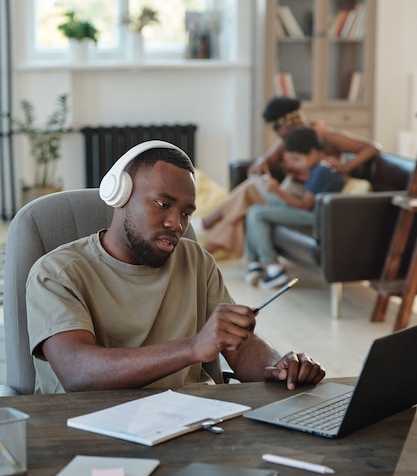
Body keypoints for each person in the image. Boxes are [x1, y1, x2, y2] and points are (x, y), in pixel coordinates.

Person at [26, 140, 325, 394]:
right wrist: (193, 347)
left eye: (186, 212)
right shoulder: (56, 272)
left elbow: (240, 346)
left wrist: (279, 368)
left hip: (193, 423)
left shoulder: (196, 261)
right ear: (121, 195)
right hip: (89, 433)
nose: (176, 223)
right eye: (162, 204)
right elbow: (78, 373)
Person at [197, 96, 380, 257]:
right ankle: (204, 250)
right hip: (292, 191)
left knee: (249, 195)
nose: (278, 136)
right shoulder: (287, 140)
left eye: (277, 129)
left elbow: (372, 147)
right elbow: (268, 159)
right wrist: (262, 162)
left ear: (284, 125)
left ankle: (204, 234)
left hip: (306, 195)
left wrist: (347, 166)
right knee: (247, 199)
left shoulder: (325, 137)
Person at [245, 127, 345, 289]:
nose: (297, 164)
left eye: (298, 159)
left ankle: (273, 268)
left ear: (312, 152)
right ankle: (254, 262)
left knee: (257, 213)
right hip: (309, 211)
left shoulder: (322, 171)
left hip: (316, 216)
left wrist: (278, 191)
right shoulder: (319, 168)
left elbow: (306, 205)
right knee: (254, 207)